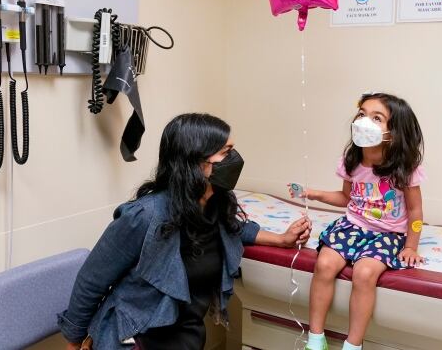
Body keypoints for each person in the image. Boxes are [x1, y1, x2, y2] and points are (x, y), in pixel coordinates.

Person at [59, 113, 312, 350]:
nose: (235, 159)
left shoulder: (216, 206)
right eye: (227, 152)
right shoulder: (144, 217)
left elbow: (234, 230)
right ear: (195, 161)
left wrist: (281, 239)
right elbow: (91, 281)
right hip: (134, 338)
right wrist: (74, 340)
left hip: (186, 337)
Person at [291, 92, 425, 350]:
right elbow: (346, 197)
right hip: (353, 226)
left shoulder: (404, 168)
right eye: (362, 114)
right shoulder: (352, 160)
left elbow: (416, 212)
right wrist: (314, 193)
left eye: (377, 118)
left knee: (364, 273)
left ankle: (353, 345)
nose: (364, 121)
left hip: (388, 234)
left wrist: (411, 246)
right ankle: (316, 339)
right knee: (325, 264)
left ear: (393, 132)